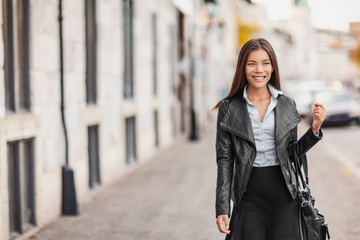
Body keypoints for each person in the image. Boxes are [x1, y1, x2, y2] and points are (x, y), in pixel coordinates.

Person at [213, 38, 327, 240]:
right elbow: (225, 160)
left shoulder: (287, 104)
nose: (259, 70)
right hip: (247, 195)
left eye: (265, 63)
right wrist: (222, 207)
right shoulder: (228, 107)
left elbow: (293, 153)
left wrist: (314, 131)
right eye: (252, 63)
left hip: (284, 195)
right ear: (243, 67)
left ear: (273, 67)